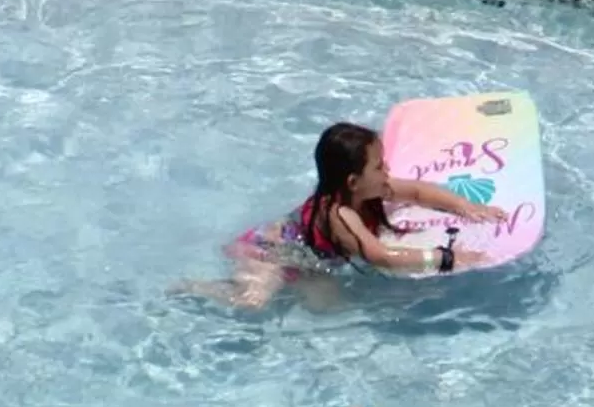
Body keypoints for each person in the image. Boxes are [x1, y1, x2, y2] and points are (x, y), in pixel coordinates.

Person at [181, 121, 507, 310]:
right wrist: (447, 258)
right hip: (270, 251)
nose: (387, 170)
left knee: (329, 308)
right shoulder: (341, 215)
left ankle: (301, 283)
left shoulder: (370, 188)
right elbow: (382, 256)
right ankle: (191, 287)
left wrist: (465, 206)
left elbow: (419, 192)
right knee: (253, 302)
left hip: (310, 258)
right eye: (378, 166)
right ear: (353, 182)